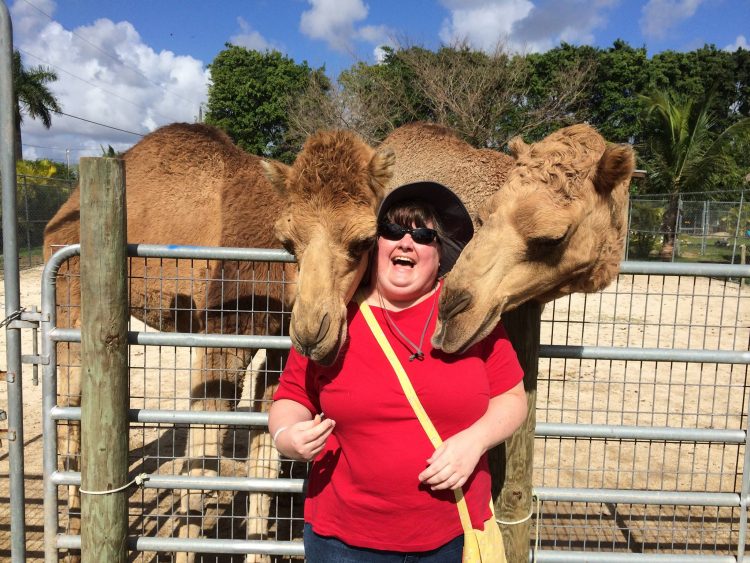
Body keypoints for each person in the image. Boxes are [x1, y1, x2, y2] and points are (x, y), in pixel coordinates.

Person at [269, 181, 528, 562]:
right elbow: (291, 396)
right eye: (393, 230)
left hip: (450, 536)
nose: (407, 242)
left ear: (440, 255)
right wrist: (288, 437)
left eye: (424, 235)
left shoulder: (464, 313)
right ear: (376, 245)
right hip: (343, 541)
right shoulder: (334, 314)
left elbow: (512, 398)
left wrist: (475, 441)